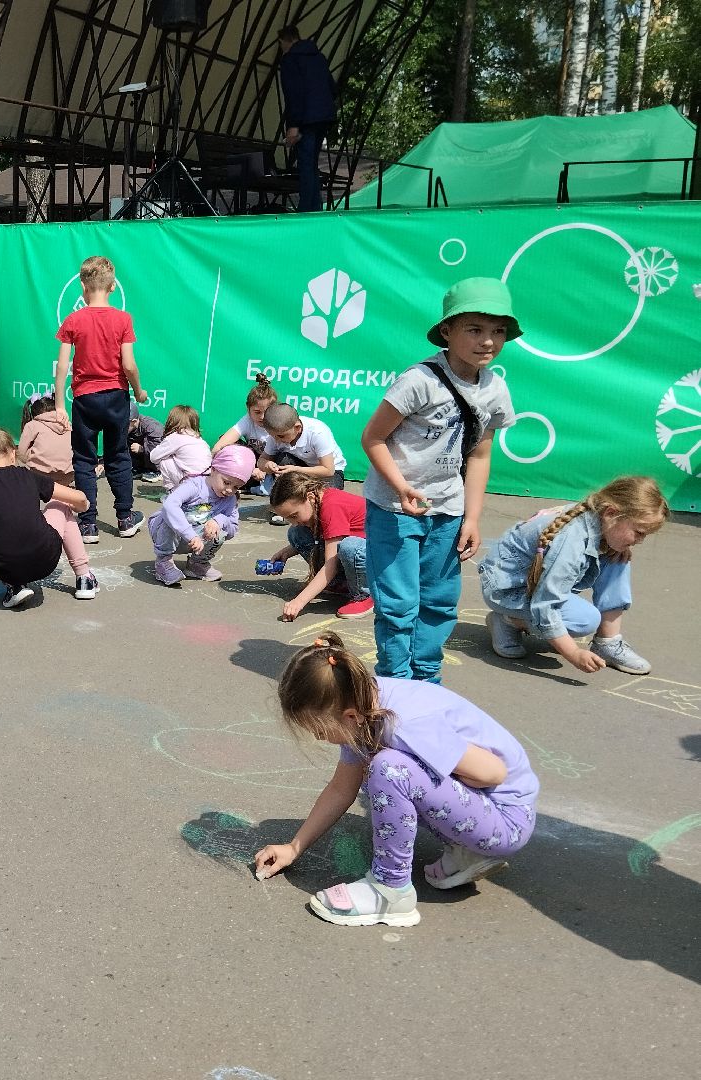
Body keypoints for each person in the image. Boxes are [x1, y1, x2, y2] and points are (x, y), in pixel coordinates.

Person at [254, 633, 538, 928]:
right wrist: (294, 847)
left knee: (389, 770)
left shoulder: (406, 725)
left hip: (507, 821)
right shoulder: (361, 704)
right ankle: (467, 850)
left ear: (350, 715)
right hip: (485, 811)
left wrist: (439, 780)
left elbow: (493, 773)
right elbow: (341, 789)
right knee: (382, 771)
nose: (317, 737)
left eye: (319, 729)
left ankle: (390, 891)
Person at [361, 277, 518, 683]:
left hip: (447, 509)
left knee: (440, 601)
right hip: (395, 508)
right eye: (475, 329)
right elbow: (373, 438)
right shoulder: (419, 380)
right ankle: (394, 683)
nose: (488, 341)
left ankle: (426, 681)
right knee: (398, 604)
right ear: (447, 331)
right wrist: (400, 486)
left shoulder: (495, 389)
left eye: (498, 331)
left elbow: (480, 455)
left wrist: (472, 517)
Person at [478, 475, 667, 676]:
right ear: (611, 513)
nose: (641, 541)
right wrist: (574, 653)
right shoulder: (570, 542)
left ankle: (608, 642)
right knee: (584, 619)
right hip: (508, 590)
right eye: (638, 532)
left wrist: (622, 545)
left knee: (618, 557)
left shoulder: (598, 518)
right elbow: (545, 605)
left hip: (532, 581)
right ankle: (509, 620)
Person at [51, 255, 149, 543]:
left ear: (83, 285)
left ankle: (88, 523)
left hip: (84, 399)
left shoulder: (73, 319)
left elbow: (62, 366)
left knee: (84, 459)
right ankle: (125, 518)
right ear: (113, 287)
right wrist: (139, 390)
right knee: (118, 456)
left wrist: (59, 405)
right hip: (116, 397)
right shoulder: (123, 319)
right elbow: (129, 365)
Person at [0, 427, 89, 609]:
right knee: (59, 504)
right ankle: (84, 577)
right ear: (12, 453)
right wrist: (83, 507)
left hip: (5, 567)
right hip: (46, 559)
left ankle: (14, 586)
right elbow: (78, 498)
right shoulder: (28, 476)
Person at [18, 394, 97, 599]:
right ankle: (83, 576)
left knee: (37, 515)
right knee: (65, 511)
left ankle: (21, 573)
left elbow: (21, 452)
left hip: (39, 477)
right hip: (67, 477)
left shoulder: (32, 425)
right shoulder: (67, 423)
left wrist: (31, 460)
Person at [269, 471, 372, 620]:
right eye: (288, 518)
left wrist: (299, 601)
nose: (294, 521)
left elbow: (331, 564)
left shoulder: (332, 506)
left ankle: (365, 595)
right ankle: (340, 584)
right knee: (296, 533)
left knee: (350, 548)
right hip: (366, 555)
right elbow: (327, 536)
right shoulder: (318, 501)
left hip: (378, 559)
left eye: (294, 515)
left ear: (310, 497)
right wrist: (289, 551)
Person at [147, 445, 254, 586]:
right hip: (166, 533)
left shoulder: (230, 500)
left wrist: (219, 520)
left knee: (220, 532)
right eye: (226, 482)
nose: (229, 490)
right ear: (214, 469)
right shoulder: (195, 486)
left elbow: (233, 529)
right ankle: (163, 562)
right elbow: (170, 505)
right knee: (170, 518)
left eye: (236, 487)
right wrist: (190, 535)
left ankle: (196, 564)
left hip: (195, 541)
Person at [277, 24, 336, 213]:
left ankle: (306, 209)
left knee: (305, 164)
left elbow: (294, 94)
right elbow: (333, 88)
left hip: (305, 120)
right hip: (323, 118)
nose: (281, 48)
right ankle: (315, 207)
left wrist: (293, 125)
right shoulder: (319, 58)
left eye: (280, 44)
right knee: (312, 164)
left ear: (286, 40)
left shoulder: (290, 61)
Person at [212, 371, 279, 494]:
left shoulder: (279, 422)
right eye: (257, 412)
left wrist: (265, 470)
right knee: (229, 444)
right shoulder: (247, 420)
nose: (263, 417)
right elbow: (220, 445)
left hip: (272, 467)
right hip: (253, 468)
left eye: (267, 411)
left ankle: (270, 488)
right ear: (248, 409)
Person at [150, 405, 211, 490]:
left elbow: (153, 457)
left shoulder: (174, 437)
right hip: (207, 483)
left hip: (191, 482)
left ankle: (174, 492)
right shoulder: (199, 439)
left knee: (165, 460)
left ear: (171, 422)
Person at [127, 401, 165, 482]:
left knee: (148, 444)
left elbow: (160, 449)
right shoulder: (131, 429)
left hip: (161, 460)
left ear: (133, 421)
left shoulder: (151, 427)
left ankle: (158, 472)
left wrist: (142, 449)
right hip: (142, 460)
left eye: (125, 424)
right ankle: (140, 468)